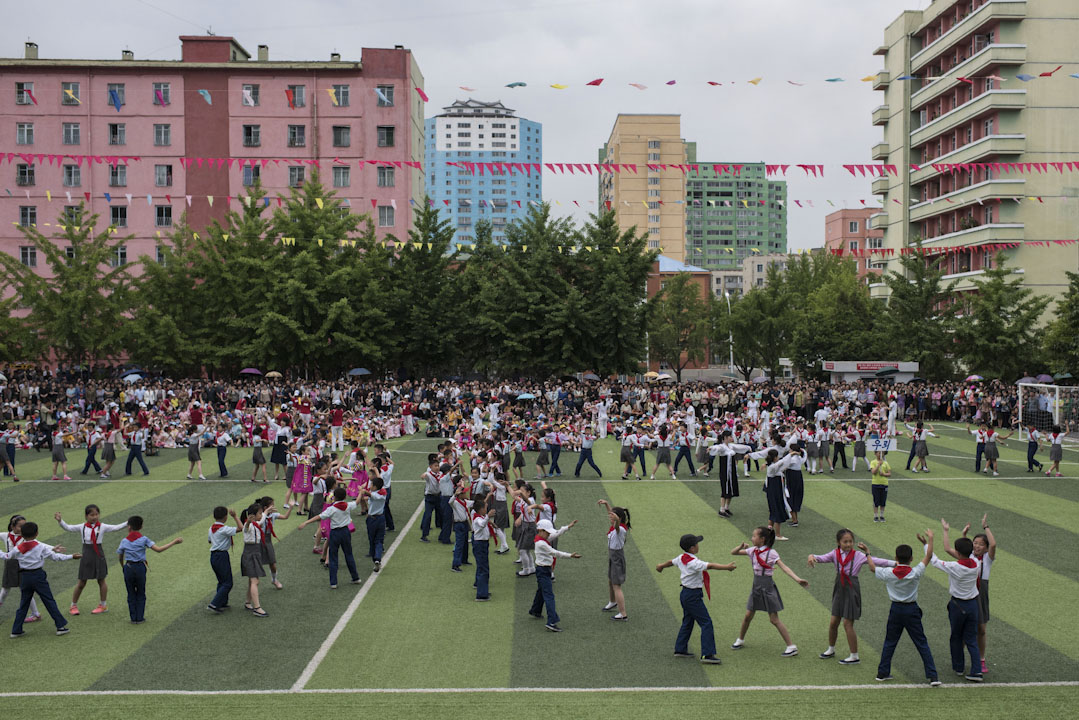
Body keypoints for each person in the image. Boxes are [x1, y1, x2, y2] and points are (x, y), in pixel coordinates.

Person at [861, 532, 941, 685]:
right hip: (911, 610)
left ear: (896, 558)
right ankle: (933, 676)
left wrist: (868, 553)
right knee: (921, 643)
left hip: (896, 610)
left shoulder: (889, 573)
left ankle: (882, 673)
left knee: (890, 642)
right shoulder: (915, 572)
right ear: (911, 559)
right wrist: (929, 540)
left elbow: (872, 568)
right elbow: (929, 556)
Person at [808, 528, 894, 665]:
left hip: (852, 588)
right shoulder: (834, 554)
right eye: (845, 542)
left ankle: (854, 655)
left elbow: (877, 560)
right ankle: (831, 649)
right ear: (838, 542)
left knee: (847, 623)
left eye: (850, 541)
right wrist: (812, 556)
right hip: (839, 587)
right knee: (833, 622)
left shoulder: (858, 555)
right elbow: (821, 558)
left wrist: (895, 563)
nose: (848, 544)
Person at [655, 533, 736, 665]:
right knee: (706, 623)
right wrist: (727, 567)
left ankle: (680, 649)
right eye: (697, 543)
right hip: (693, 596)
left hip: (685, 594)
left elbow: (671, 562)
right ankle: (707, 654)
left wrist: (661, 566)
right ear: (692, 548)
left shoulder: (682, 557)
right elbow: (710, 566)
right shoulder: (694, 562)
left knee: (688, 621)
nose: (698, 545)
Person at [731, 526, 809, 657]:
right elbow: (733, 553)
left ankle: (791, 646)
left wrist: (798, 579)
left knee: (774, 619)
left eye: (754, 536)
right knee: (748, 615)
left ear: (762, 539)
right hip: (756, 586)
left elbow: (784, 568)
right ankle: (740, 639)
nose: (752, 538)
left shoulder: (771, 553)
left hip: (767, 587)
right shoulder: (752, 551)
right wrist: (740, 546)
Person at [931, 519, 983, 682]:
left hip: (958, 605)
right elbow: (962, 553)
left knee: (955, 636)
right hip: (973, 605)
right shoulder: (976, 563)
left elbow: (934, 561)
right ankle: (977, 671)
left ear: (958, 553)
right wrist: (962, 535)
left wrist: (928, 543)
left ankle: (958, 667)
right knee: (971, 639)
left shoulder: (955, 567)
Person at [8, 521, 80, 638]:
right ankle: (60, 626)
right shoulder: (40, 546)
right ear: (37, 533)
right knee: (49, 601)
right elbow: (56, 557)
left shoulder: (18, 548)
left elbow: (7, 556)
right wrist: (71, 556)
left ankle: (16, 630)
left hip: (24, 577)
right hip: (38, 576)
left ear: (22, 534)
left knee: (24, 604)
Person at [55, 505, 128, 616]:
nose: (94, 517)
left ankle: (103, 605)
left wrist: (128, 522)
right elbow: (68, 528)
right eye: (91, 515)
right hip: (87, 555)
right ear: (86, 516)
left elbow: (116, 527)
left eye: (96, 514)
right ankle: (73, 606)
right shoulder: (82, 527)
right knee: (81, 582)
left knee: (101, 580)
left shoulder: (102, 526)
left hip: (99, 555)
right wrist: (60, 521)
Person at [115, 516, 182, 624]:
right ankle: (140, 618)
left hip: (128, 567)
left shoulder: (124, 541)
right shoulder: (144, 539)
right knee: (141, 592)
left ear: (129, 527)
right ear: (141, 527)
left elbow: (120, 555)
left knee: (131, 593)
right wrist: (174, 541)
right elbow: (159, 550)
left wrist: (123, 566)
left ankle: (133, 618)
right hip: (140, 568)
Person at [299, 486, 362, 587]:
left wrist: (306, 522)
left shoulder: (331, 509)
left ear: (334, 497)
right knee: (348, 555)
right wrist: (361, 492)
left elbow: (319, 517)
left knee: (333, 557)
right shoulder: (348, 505)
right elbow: (357, 502)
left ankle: (334, 582)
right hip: (345, 532)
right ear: (345, 497)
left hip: (335, 533)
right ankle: (355, 578)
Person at [958, 515, 996, 675]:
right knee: (965, 628)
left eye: (981, 544)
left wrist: (985, 526)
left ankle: (981, 660)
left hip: (981, 594)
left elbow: (993, 543)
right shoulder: (970, 557)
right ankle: (958, 659)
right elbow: (962, 547)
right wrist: (964, 534)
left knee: (981, 629)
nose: (977, 546)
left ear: (986, 548)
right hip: (967, 592)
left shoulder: (987, 559)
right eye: (975, 543)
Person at [528, 518, 581, 632]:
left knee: (541, 591)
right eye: (547, 532)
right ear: (540, 530)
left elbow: (556, 534)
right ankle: (551, 621)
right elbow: (555, 553)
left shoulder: (542, 539)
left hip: (543, 570)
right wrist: (570, 555)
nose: (549, 535)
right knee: (549, 596)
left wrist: (568, 527)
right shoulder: (542, 543)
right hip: (543, 570)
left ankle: (535, 610)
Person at [1, 516, 41, 622]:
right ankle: (35, 613)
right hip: (10, 565)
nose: (23, 528)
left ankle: (35, 613)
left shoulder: (26, 537)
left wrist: (53, 548)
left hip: (23, 564)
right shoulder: (6, 536)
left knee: (25, 590)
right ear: (12, 526)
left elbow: (40, 544)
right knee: (5, 589)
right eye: (20, 526)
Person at [598, 499, 630, 621]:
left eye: (612, 516)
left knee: (617, 585)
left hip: (617, 556)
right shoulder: (616, 525)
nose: (610, 518)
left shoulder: (620, 528)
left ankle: (623, 614)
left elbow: (616, 523)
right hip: (613, 555)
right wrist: (606, 504)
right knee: (611, 581)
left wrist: (615, 517)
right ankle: (612, 602)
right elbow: (614, 519)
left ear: (618, 518)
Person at [207, 506, 240, 613]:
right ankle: (214, 603)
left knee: (221, 581)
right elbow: (241, 528)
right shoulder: (224, 529)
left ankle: (222, 603)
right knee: (228, 583)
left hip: (213, 556)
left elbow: (209, 541)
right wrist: (235, 516)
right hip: (222, 556)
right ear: (226, 517)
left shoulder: (211, 528)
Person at [238, 504, 269, 616]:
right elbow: (245, 528)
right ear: (253, 516)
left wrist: (266, 512)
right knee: (255, 581)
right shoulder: (250, 526)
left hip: (255, 553)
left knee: (252, 581)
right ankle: (257, 608)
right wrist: (247, 522)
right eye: (259, 513)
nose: (261, 515)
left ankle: (248, 602)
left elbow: (261, 520)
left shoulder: (256, 524)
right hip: (250, 554)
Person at [471, 495, 495, 601]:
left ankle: (483, 590)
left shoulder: (479, 517)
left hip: (483, 544)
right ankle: (481, 594)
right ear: (481, 509)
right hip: (480, 544)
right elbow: (481, 525)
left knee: (484, 568)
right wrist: (488, 517)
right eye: (485, 508)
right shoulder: (477, 518)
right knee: (483, 569)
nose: (487, 509)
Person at [869, 450, 891, 523]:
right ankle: (875, 516)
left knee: (883, 501)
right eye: (879, 453)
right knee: (876, 500)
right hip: (875, 484)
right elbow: (873, 472)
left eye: (882, 453)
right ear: (875, 454)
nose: (880, 454)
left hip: (884, 484)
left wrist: (884, 474)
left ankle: (881, 515)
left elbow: (889, 474)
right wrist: (878, 465)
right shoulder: (873, 462)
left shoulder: (886, 463)